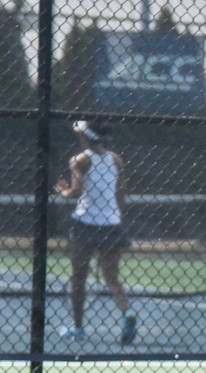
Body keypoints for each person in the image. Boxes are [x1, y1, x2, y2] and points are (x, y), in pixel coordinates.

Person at [54, 120, 137, 345]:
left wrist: (63, 191)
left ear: (86, 138)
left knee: (78, 278)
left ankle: (78, 328)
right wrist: (114, 215)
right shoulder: (116, 159)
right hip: (112, 225)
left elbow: (76, 191)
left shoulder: (80, 160)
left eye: (81, 134)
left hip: (85, 224)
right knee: (112, 278)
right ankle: (127, 312)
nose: (79, 137)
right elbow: (121, 192)